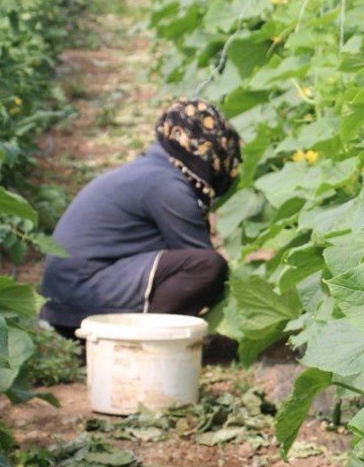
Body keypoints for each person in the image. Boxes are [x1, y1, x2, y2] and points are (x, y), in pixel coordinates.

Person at [40, 99, 242, 337]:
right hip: (83, 298)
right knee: (208, 267)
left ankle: (128, 332)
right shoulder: (168, 186)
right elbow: (201, 261)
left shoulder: (152, 170)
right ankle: (142, 339)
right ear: (211, 151)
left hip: (68, 299)